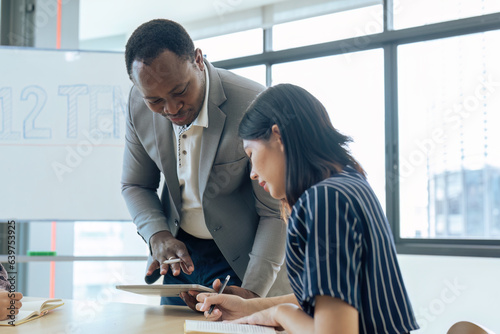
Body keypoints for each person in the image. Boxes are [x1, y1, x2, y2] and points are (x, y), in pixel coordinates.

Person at [196, 84, 420, 333]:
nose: (253, 173)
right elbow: (324, 301)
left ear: (278, 136)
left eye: (251, 154)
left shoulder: (324, 201)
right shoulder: (348, 183)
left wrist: (279, 314)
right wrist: (251, 308)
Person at [121, 19, 291, 307]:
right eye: (155, 100)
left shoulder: (254, 103)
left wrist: (252, 295)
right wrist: (158, 235)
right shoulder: (138, 105)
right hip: (180, 256)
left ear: (198, 60)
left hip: (246, 262)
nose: (171, 109)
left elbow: (275, 212)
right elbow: (136, 184)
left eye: (180, 91)